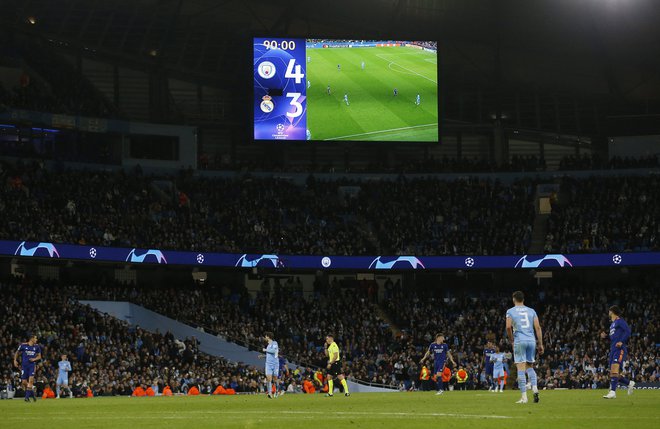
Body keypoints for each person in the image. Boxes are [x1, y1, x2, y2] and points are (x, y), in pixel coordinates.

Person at [506, 291, 543, 404]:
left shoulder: (510, 311)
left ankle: (524, 397)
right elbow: (537, 327)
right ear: (523, 299)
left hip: (520, 340)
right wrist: (540, 344)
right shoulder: (531, 311)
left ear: (514, 299)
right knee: (530, 366)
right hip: (531, 340)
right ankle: (535, 388)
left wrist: (511, 339)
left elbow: (508, 327)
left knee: (520, 368)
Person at [601, 305, 635, 399]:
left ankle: (613, 392)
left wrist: (622, 341)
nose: (608, 313)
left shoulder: (620, 321)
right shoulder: (612, 324)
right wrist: (606, 337)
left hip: (619, 349)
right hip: (613, 349)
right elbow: (613, 338)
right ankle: (629, 383)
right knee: (613, 372)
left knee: (615, 369)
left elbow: (628, 331)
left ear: (612, 311)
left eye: (609, 311)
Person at [13, 334, 42, 402]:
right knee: (24, 382)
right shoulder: (23, 345)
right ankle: (32, 394)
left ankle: (26, 397)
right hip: (24, 366)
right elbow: (17, 352)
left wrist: (34, 359)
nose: (36, 340)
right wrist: (15, 360)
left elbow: (39, 356)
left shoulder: (37, 347)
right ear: (31, 339)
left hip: (32, 366)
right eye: (35, 338)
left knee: (31, 381)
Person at [259, 331, 280, 399]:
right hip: (268, 364)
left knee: (275, 379)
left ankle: (277, 391)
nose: (265, 337)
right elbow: (269, 355)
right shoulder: (268, 345)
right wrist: (263, 356)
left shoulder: (274, 343)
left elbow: (274, 351)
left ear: (268, 336)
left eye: (265, 336)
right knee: (268, 378)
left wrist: (265, 350)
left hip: (275, 363)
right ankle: (270, 393)